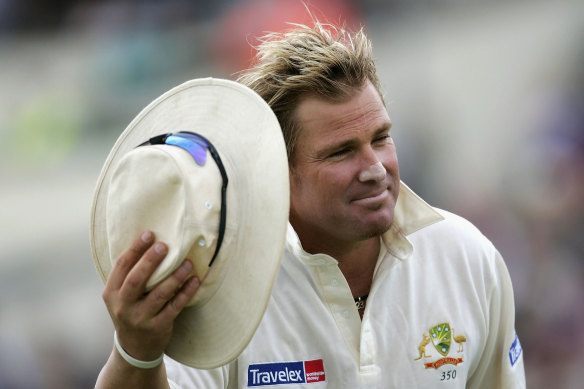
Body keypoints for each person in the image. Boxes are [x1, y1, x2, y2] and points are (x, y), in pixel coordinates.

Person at [95, 22, 526, 388]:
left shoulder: (466, 257)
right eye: (341, 152)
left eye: (381, 138)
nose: (375, 168)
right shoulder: (220, 291)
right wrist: (135, 354)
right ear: (280, 174)